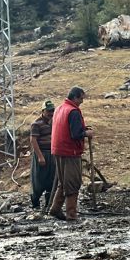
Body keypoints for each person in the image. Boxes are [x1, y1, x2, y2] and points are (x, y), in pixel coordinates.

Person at [48, 87, 94, 221]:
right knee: (73, 182)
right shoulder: (73, 111)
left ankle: (55, 209)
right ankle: (71, 214)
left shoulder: (60, 108)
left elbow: (65, 127)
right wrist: (86, 133)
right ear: (75, 97)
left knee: (63, 181)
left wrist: (81, 128)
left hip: (58, 149)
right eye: (81, 99)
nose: (82, 102)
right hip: (70, 151)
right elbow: (75, 134)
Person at [29, 100, 56, 209]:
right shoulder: (36, 124)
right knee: (38, 179)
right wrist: (40, 156)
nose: (51, 113)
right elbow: (33, 140)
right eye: (49, 111)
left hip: (52, 153)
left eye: (52, 110)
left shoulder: (54, 122)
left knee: (52, 178)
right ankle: (35, 203)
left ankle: (48, 204)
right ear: (43, 111)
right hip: (42, 153)